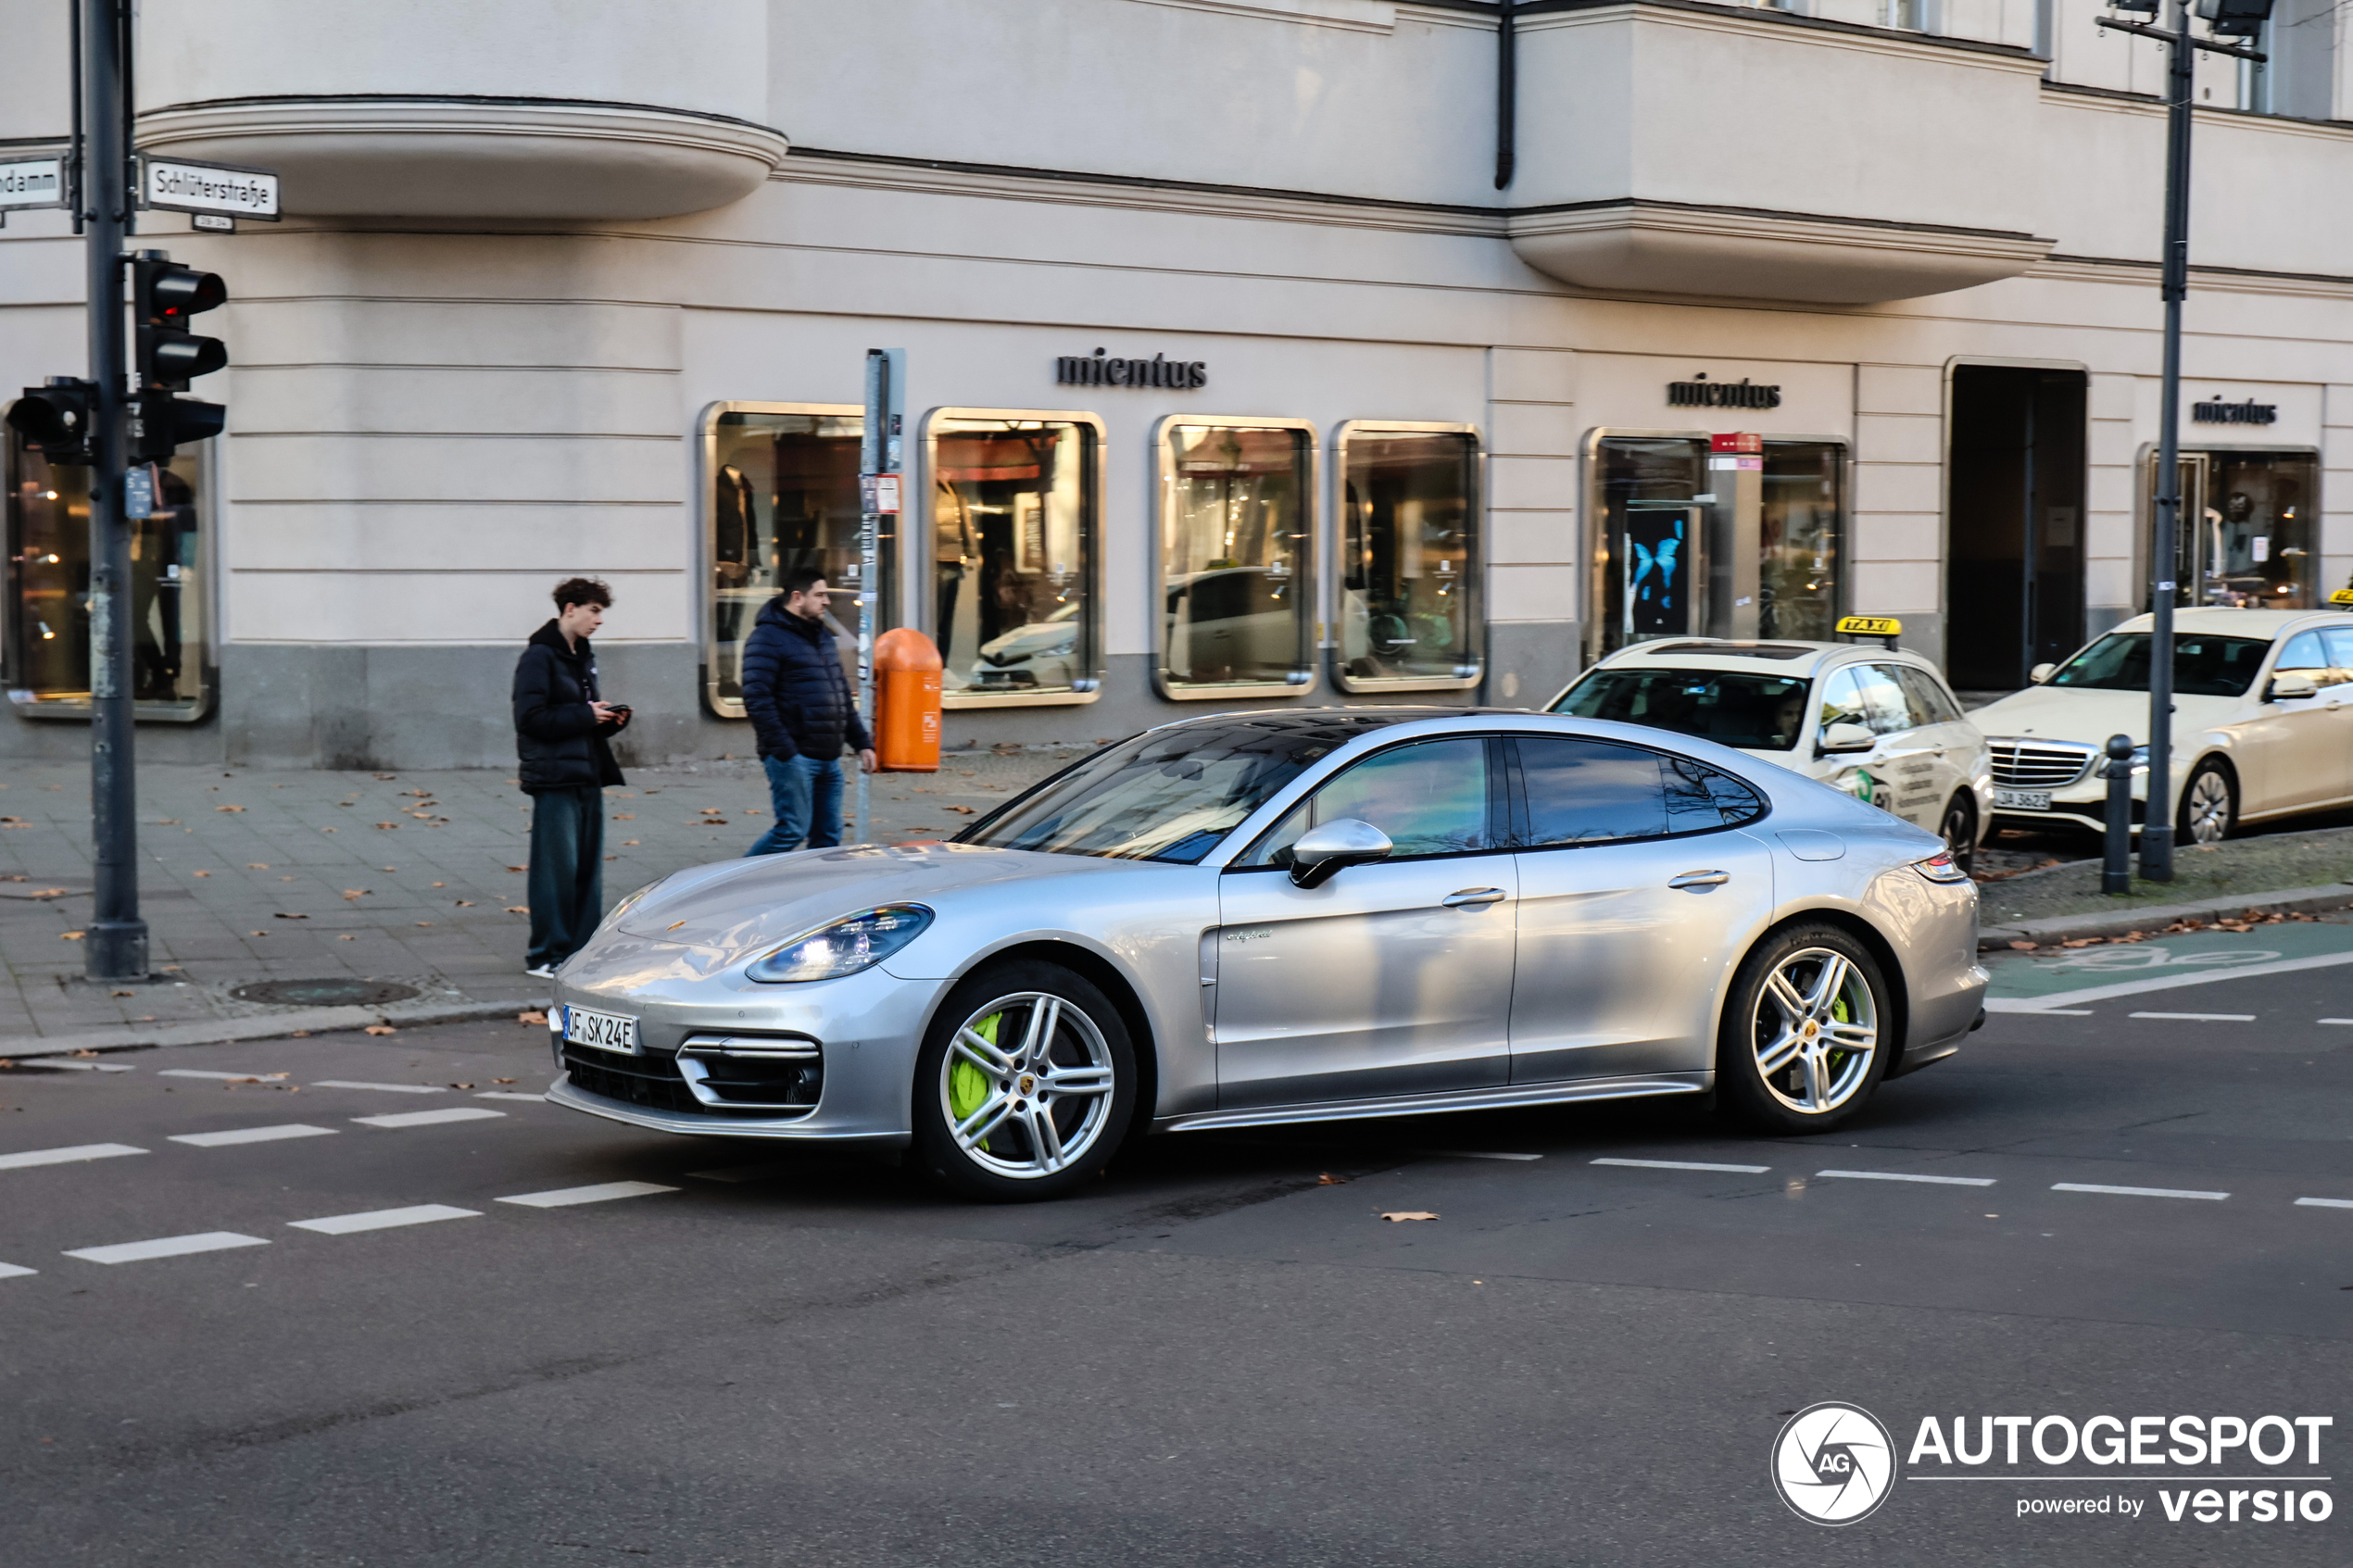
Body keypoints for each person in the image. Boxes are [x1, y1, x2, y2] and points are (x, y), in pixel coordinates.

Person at [513, 577, 629, 978]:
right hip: (554, 778)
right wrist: (585, 715)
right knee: (555, 871)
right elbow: (529, 719)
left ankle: (579, 951)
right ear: (570, 609)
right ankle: (545, 954)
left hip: (586, 772)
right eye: (594, 611)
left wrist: (606, 720)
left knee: (586, 871)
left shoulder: (581, 654)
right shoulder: (539, 656)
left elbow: (576, 715)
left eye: (601, 612)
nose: (599, 620)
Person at [741, 566, 876, 855]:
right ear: (797, 597)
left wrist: (862, 743)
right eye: (820, 595)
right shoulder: (767, 638)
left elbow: (841, 694)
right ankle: (735, 883)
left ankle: (819, 894)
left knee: (828, 837)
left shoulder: (822, 637)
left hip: (829, 758)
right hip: (795, 756)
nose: (826, 601)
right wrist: (785, 750)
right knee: (792, 830)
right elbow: (756, 697)